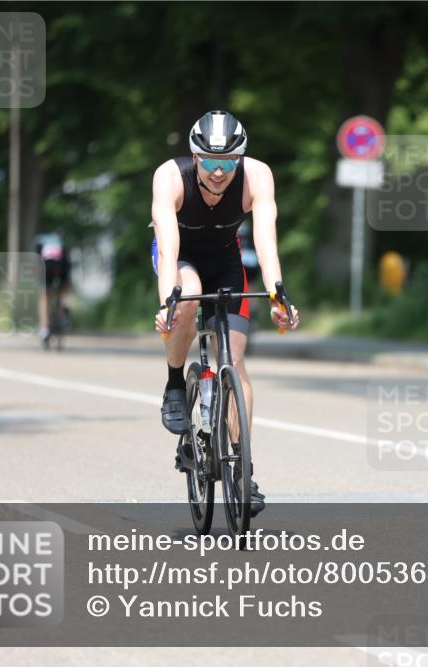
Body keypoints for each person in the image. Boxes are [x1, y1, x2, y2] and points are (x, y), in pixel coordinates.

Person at [150, 110, 300, 517]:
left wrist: (277, 295)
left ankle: (242, 475)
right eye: (210, 162)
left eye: (228, 162)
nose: (219, 172)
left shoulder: (257, 176)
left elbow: (267, 239)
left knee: (233, 359)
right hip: (180, 259)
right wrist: (170, 300)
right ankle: (175, 384)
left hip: (226, 259)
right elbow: (166, 246)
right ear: (194, 156)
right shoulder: (170, 176)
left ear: (241, 158)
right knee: (190, 293)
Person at [35, 232, 71, 347]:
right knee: (63, 289)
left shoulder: (39, 241)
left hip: (47, 265)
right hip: (62, 264)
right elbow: (66, 258)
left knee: (44, 296)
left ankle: (45, 328)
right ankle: (64, 304)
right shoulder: (61, 241)